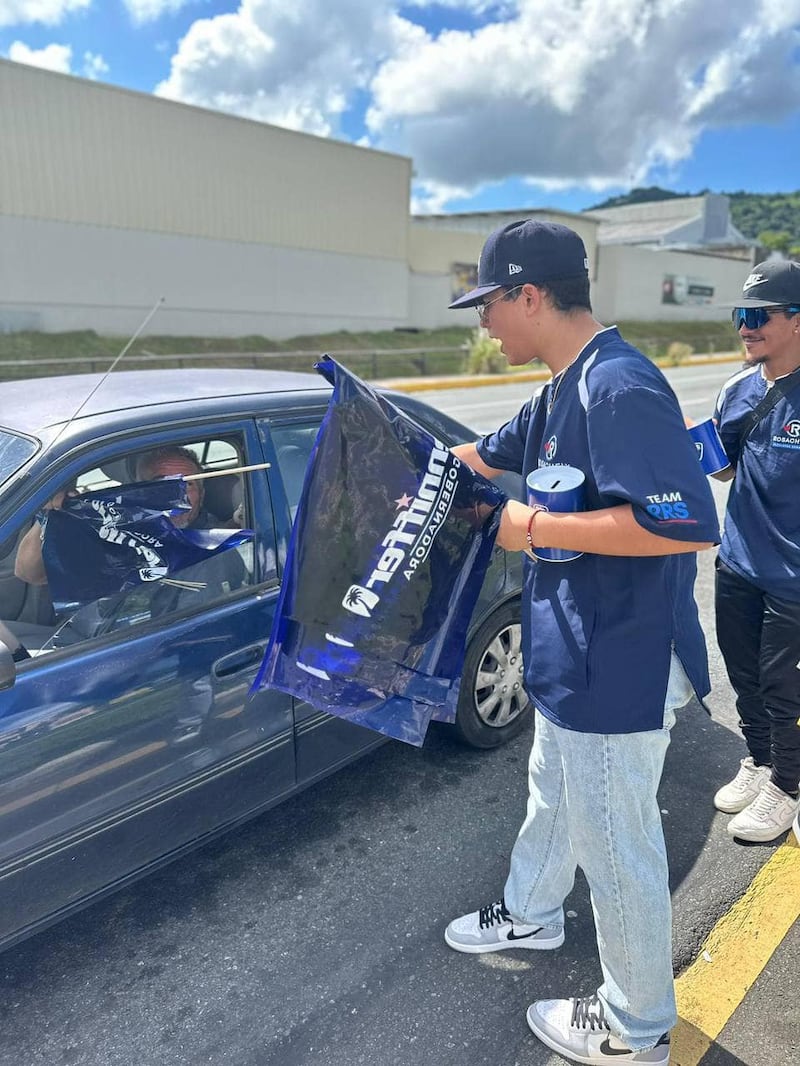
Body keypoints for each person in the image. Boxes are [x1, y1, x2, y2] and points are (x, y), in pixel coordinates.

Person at [444, 219, 719, 1065]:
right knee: (553, 795)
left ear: (529, 295)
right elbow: (478, 457)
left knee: (616, 847)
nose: (482, 325)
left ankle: (636, 1027)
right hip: (571, 655)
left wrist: (535, 524)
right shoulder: (558, 387)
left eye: (487, 305)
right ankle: (530, 905)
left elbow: (681, 526)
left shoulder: (617, 387)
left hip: (619, 663)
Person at [708, 260, 800, 842]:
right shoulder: (738, 390)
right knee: (743, 675)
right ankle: (762, 761)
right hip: (738, 562)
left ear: (796, 320)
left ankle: (788, 787)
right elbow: (726, 470)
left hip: (794, 578)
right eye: (740, 316)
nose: (745, 328)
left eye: (758, 316)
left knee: (783, 684)